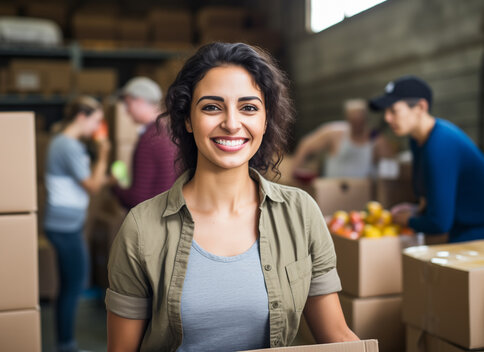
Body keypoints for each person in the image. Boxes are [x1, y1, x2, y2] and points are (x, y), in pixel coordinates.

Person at [106, 42, 358, 352]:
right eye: (212, 107)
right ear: (187, 119)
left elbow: (338, 336)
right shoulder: (142, 228)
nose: (231, 123)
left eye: (249, 107)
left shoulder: (300, 213)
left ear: (265, 120)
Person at [369, 75, 484, 242]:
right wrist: (416, 210)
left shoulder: (440, 144)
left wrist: (405, 219)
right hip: (461, 226)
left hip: (476, 232)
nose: (387, 118)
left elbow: (439, 223)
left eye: (393, 110)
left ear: (421, 107)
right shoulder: (417, 140)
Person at [44, 96, 111, 352]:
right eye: (96, 120)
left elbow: (84, 181)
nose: (97, 128)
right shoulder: (68, 146)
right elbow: (91, 186)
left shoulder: (64, 143)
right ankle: (67, 346)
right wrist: (104, 152)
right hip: (64, 228)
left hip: (65, 225)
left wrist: (109, 179)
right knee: (74, 285)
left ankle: (65, 344)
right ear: (81, 117)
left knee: (69, 285)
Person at [111, 76, 178, 209]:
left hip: (150, 220)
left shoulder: (150, 139)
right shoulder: (168, 132)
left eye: (127, 103)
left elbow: (138, 199)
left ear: (139, 101)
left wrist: (114, 187)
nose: (127, 110)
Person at [293, 98, 393, 178]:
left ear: (366, 119)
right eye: (354, 121)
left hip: (363, 191)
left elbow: (390, 168)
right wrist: (295, 171)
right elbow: (306, 145)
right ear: (348, 119)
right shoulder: (335, 133)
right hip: (334, 190)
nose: (357, 125)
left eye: (360, 121)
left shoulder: (376, 139)